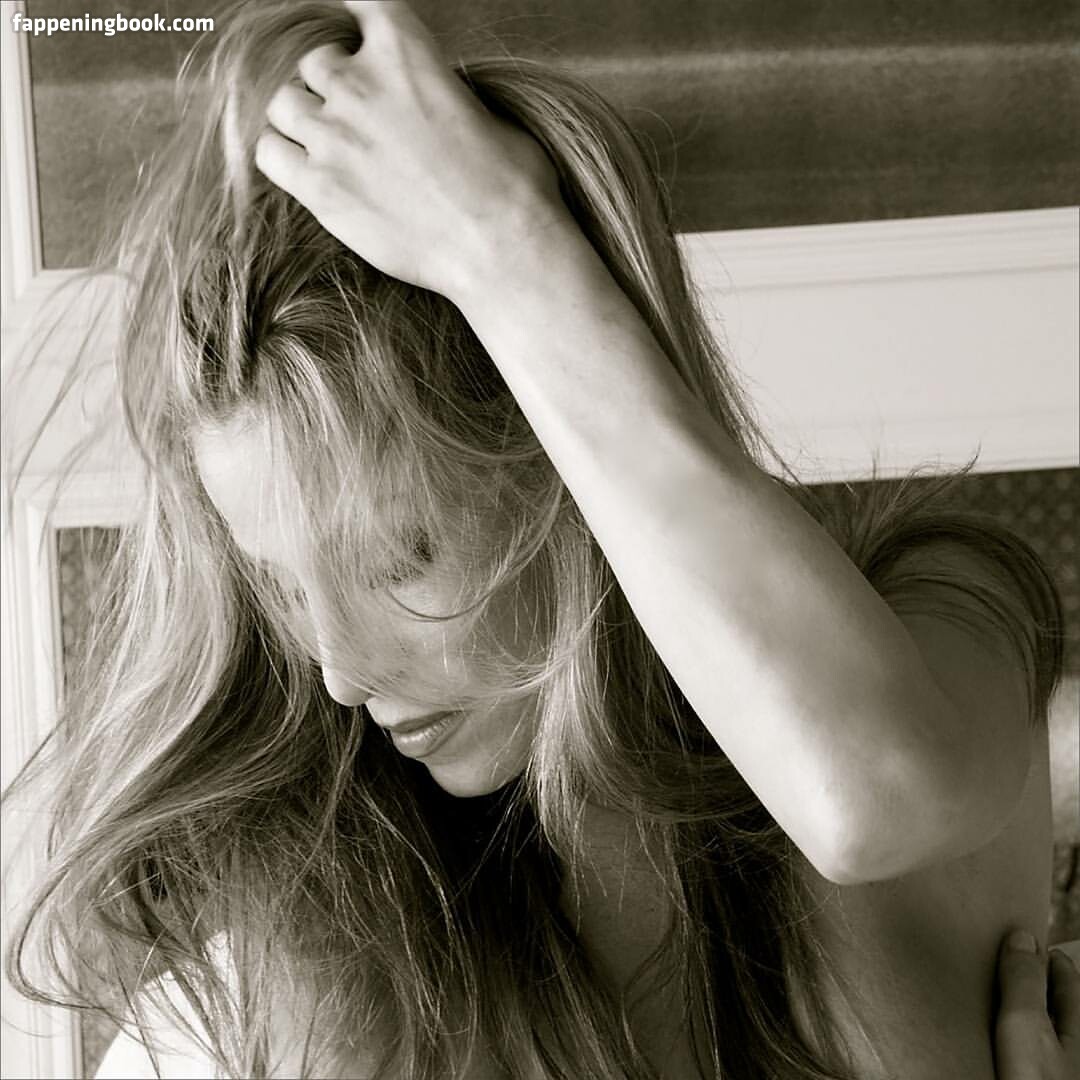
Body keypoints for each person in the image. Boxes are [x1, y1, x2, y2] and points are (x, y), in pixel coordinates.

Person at [3, 2, 1075, 1077]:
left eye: (397, 561)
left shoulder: (937, 610)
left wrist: (506, 249)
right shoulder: (311, 943)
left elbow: (868, 803)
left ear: (564, 462)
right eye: (281, 587)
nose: (340, 672)